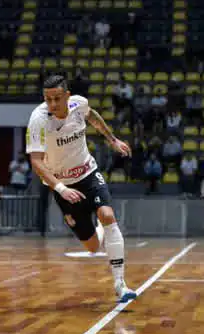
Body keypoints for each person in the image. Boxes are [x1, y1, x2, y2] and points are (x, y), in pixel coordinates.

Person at [26, 75, 136, 302]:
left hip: (87, 173)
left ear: (67, 96)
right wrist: (60, 188)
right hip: (62, 185)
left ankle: (120, 284)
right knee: (93, 247)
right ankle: (96, 227)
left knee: (107, 214)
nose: (53, 104)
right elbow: (36, 161)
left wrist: (112, 140)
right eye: (48, 99)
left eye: (57, 98)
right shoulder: (38, 120)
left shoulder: (79, 104)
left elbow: (93, 116)